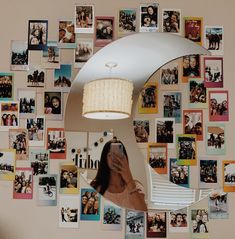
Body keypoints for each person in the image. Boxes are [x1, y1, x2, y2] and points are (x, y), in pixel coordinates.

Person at [90, 138, 147, 211]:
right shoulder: (95, 187)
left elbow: (143, 212)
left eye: (118, 155)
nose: (114, 158)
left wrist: (129, 179)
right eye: (110, 155)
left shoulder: (136, 186)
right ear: (105, 159)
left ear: (125, 158)